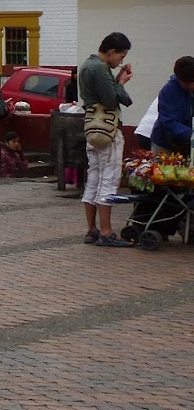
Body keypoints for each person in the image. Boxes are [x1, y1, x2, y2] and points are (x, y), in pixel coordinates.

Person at [78, 32, 133, 248]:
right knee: (108, 179)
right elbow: (111, 100)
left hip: (91, 127)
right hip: (108, 129)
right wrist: (120, 83)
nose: (120, 61)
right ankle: (107, 231)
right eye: (121, 56)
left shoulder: (86, 65)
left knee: (93, 177)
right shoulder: (100, 68)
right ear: (111, 52)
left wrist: (116, 82)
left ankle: (92, 229)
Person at [151, 57, 194, 153]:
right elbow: (169, 121)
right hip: (166, 144)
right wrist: (191, 134)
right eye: (186, 83)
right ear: (178, 79)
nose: (191, 86)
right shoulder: (168, 92)